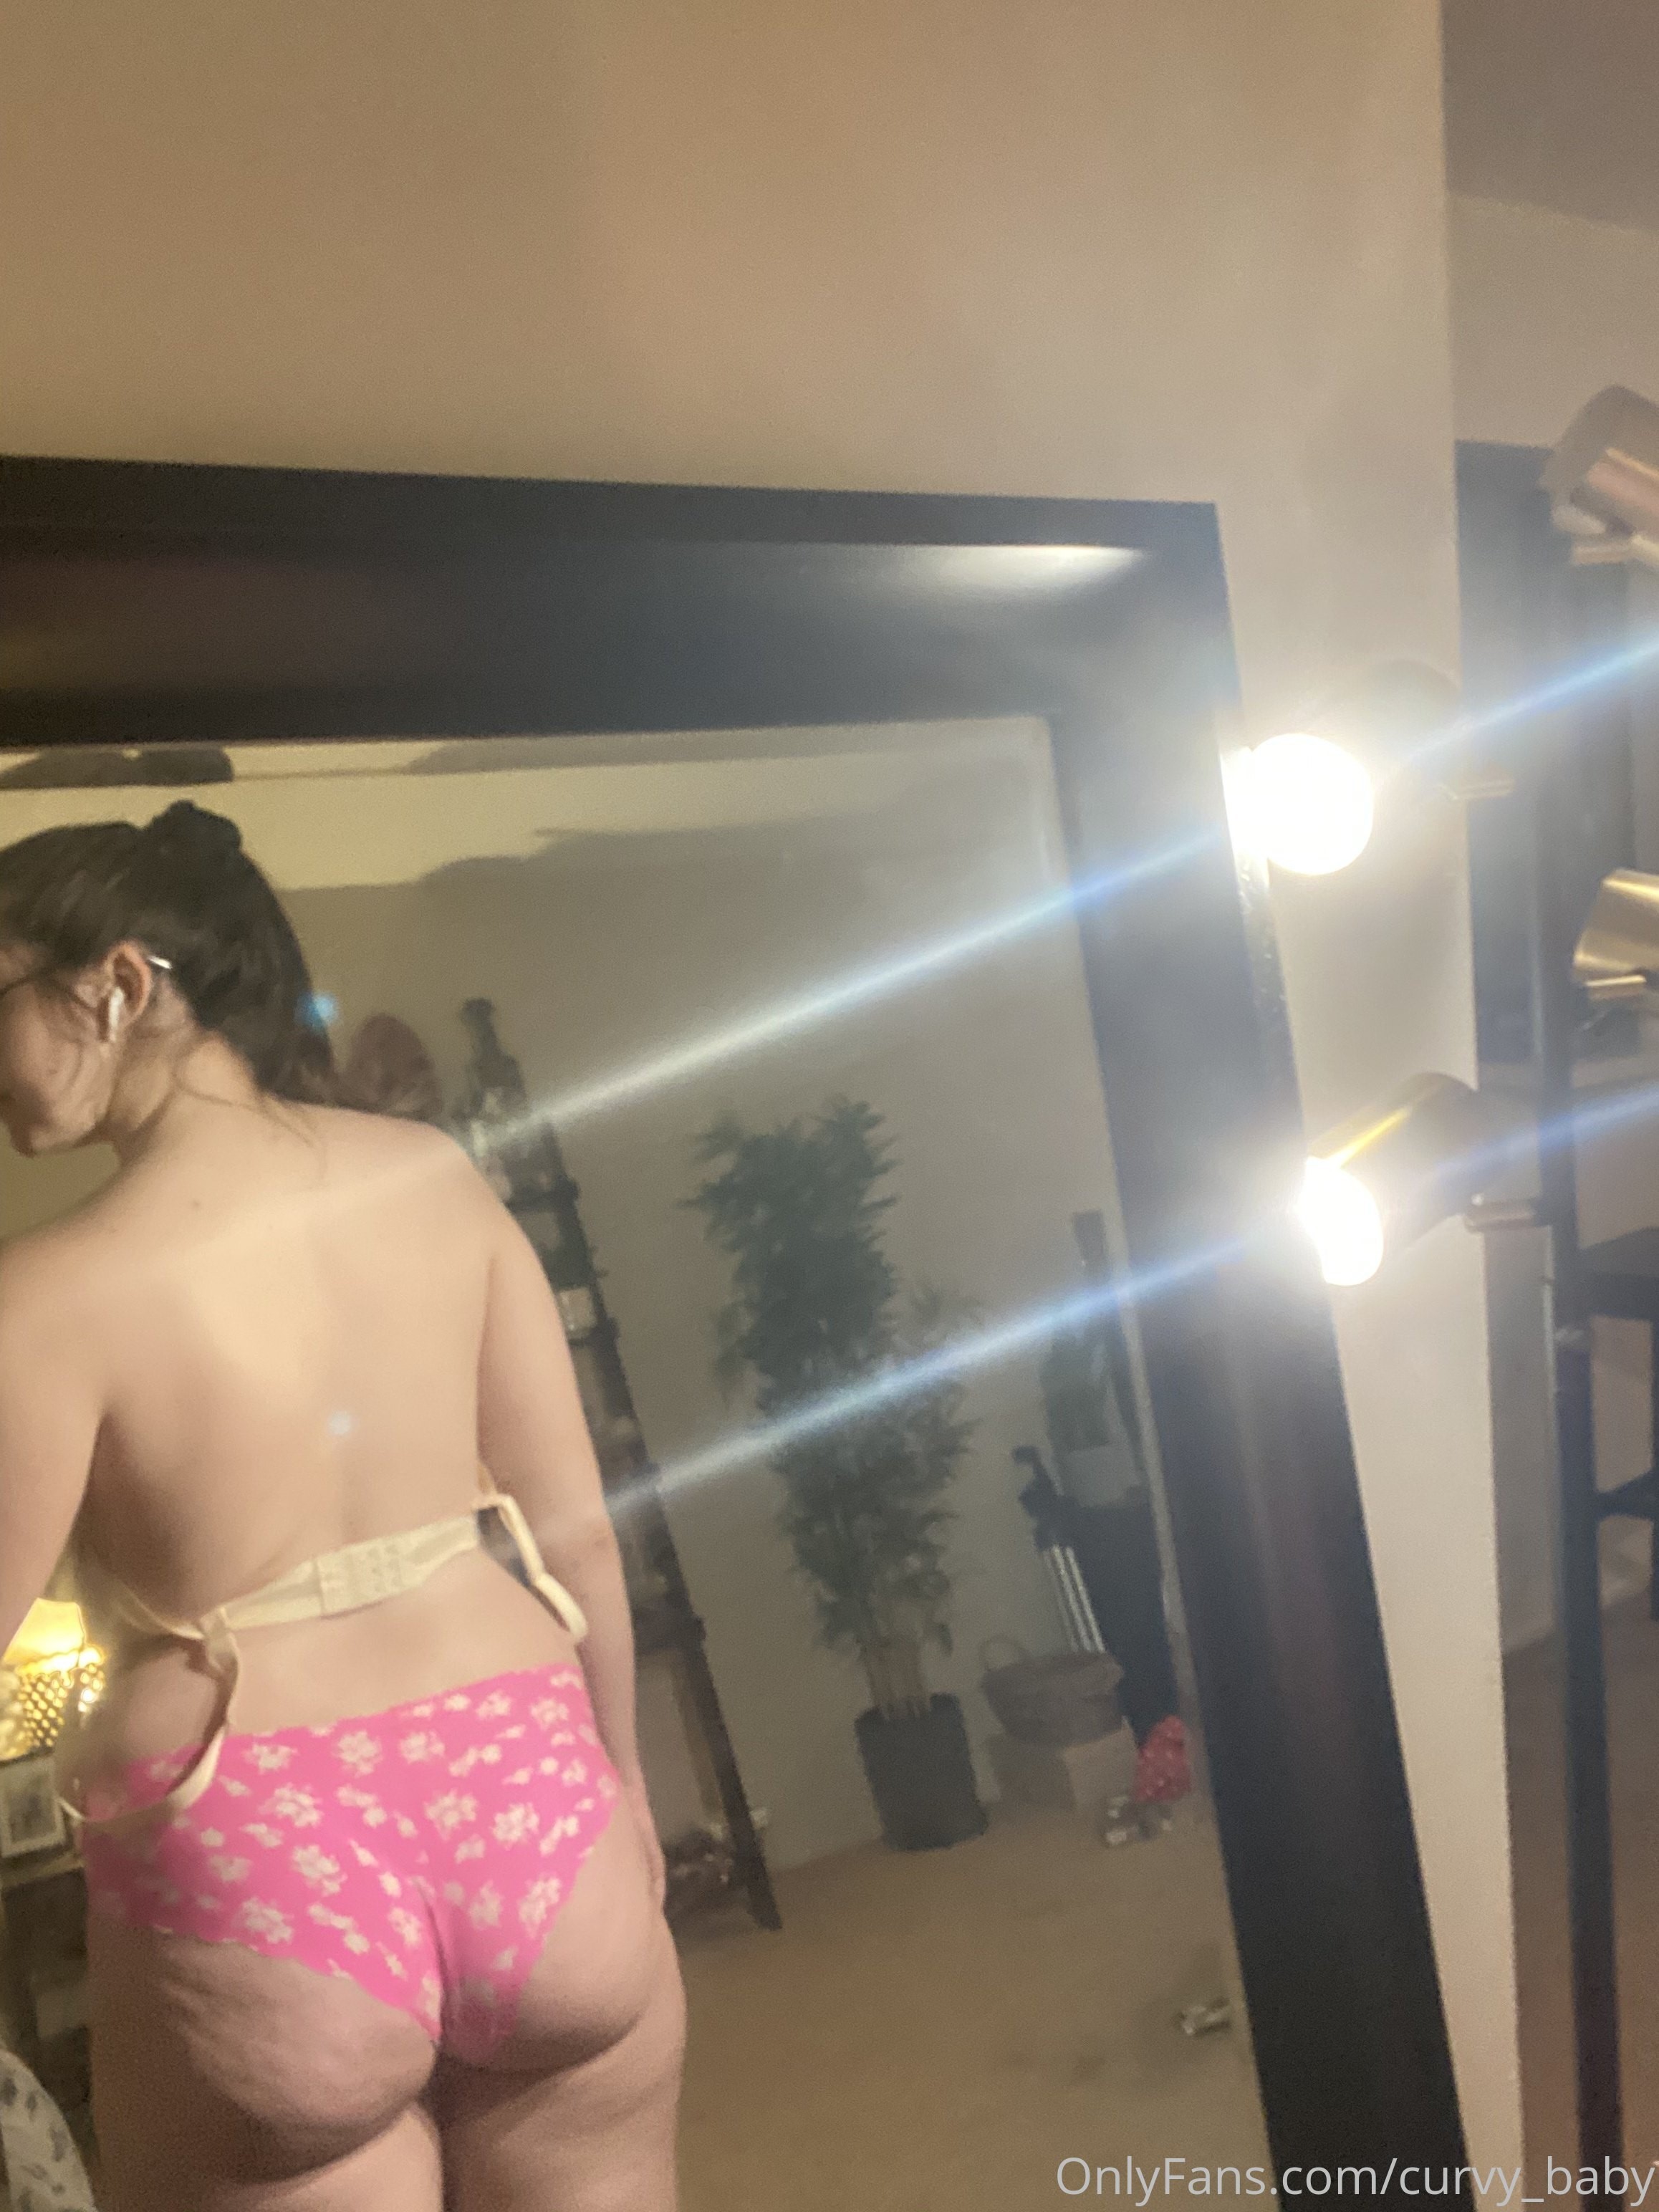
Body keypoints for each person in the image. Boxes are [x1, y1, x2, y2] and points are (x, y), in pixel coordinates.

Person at [0, 802, 685, 2211]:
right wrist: (623, 1783)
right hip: (527, 1792)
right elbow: (577, 1535)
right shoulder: (433, 1171)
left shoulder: (44, 1297)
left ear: (116, 985)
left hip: (253, 1843)